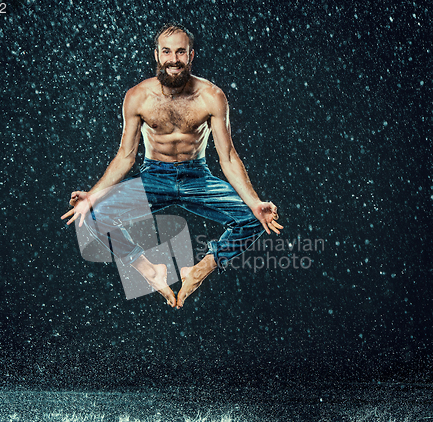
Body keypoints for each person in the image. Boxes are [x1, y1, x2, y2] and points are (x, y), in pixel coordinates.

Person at [61, 22, 283, 309]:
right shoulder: (137, 96)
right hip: (155, 177)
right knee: (92, 213)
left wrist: (254, 202)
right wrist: (91, 195)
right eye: (167, 52)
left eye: (181, 52)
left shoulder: (211, 96)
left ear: (191, 56)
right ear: (157, 55)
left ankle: (201, 268)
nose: (174, 59)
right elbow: (126, 157)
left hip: (197, 178)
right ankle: (149, 270)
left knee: (256, 218)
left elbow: (227, 156)